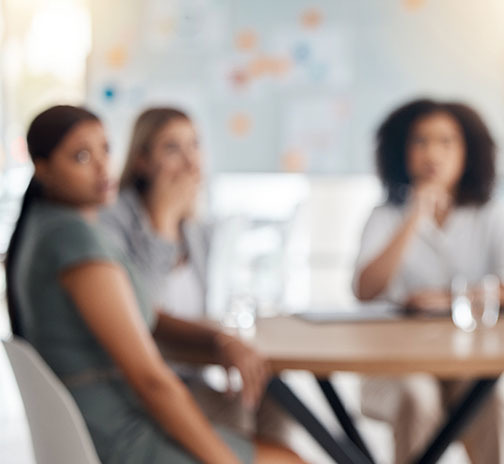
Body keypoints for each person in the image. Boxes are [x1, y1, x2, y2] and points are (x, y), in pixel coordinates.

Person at [4, 105, 303, 463]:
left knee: (275, 435)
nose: (102, 167)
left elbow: (145, 316)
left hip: (99, 423)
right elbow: (152, 381)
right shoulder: (76, 243)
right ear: (43, 168)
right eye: (82, 156)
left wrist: (216, 339)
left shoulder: (49, 227)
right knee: (288, 459)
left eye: (106, 150)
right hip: (117, 434)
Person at [99, 107, 293, 450]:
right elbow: (141, 312)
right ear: (142, 160)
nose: (190, 162)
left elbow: (212, 305)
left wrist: (225, 339)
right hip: (145, 383)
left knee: (277, 400)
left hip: (192, 370)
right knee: (234, 414)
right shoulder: (113, 220)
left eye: (195, 146)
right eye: (172, 148)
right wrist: (161, 221)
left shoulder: (196, 228)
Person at [352, 99, 504, 463]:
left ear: (469, 151)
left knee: (494, 399)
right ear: (402, 150)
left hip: (472, 361)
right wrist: (414, 215)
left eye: (446, 141)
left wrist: (448, 299)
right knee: (416, 397)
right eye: (420, 141)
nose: (432, 153)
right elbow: (364, 289)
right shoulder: (386, 215)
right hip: (400, 364)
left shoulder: (490, 214)